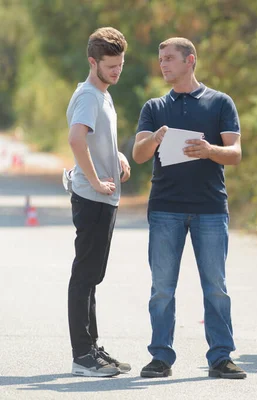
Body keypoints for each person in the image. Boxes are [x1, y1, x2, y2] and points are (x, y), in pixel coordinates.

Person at [132, 37, 245, 379]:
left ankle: (221, 357)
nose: (163, 64)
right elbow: (139, 155)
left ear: (190, 60)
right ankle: (161, 357)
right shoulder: (154, 108)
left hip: (210, 208)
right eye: (160, 58)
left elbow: (236, 153)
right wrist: (155, 139)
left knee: (216, 287)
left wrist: (210, 150)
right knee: (162, 288)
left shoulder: (220, 102)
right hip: (165, 208)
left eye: (169, 58)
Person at [65, 27, 131, 377]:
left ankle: (92, 349)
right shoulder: (90, 95)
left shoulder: (102, 94)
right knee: (85, 276)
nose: (117, 71)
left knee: (92, 276)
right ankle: (82, 356)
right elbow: (76, 139)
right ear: (93, 62)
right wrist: (94, 180)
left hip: (103, 199)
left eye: (120, 64)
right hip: (93, 199)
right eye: (111, 66)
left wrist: (115, 153)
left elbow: (93, 137)